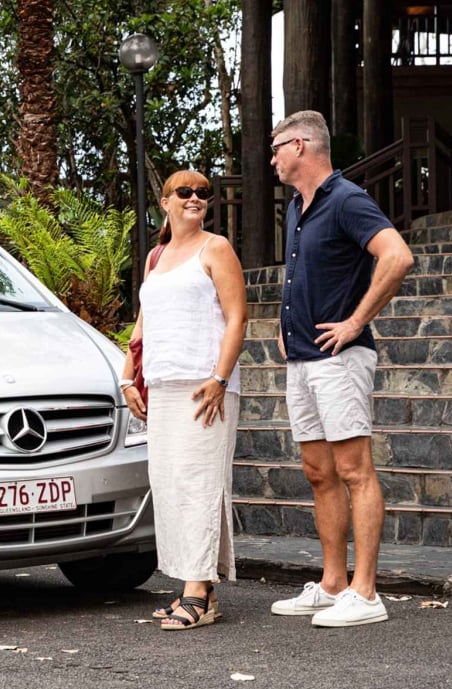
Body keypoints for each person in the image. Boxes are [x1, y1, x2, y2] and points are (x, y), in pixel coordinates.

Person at [267, 110, 414, 627]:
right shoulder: (297, 207)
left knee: (354, 470)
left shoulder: (347, 199)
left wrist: (354, 322)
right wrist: (287, 327)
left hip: (339, 357)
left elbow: (396, 256)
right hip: (303, 358)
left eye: (277, 146)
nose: (272, 157)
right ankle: (332, 585)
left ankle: (366, 593)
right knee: (318, 472)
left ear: (302, 145)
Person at [121, 170, 247, 630]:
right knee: (172, 484)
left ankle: (199, 590)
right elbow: (142, 323)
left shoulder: (216, 248)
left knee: (199, 482)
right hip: (163, 385)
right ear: (165, 201)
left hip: (204, 385)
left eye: (203, 193)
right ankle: (194, 585)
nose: (195, 198)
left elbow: (237, 318)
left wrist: (219, 377)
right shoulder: (157, 256)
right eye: (185, 192)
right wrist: (127, 378)